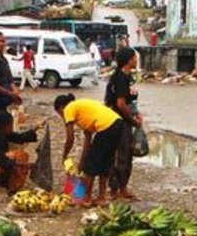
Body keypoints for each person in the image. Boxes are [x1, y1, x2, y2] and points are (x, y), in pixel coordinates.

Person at [54, 94, 124, 206]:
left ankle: (85, 198)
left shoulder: (69, 108)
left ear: (61, 107)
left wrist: (65, 156)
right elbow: (88, 141)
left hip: (106, 126)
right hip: (118, 124)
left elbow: (70, 138)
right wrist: (81, 164)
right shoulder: (83, 114)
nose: (63, 117)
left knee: (91, 165)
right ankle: (101, 198)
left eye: (60, 114)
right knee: (105, 163)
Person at [105, 47, 142, 201]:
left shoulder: (128, 77)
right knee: (121, 155)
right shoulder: (120, 78)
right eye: (134, 57)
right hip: (119, 121)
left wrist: (137, 114)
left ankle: (123, 187)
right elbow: (120, 104)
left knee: (127, 154)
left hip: (127, 119)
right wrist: (132, 121)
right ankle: (115, 189)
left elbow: (130, 101)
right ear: (128, 60)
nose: (136, 59)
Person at [0, 112, 41, 193]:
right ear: (5, 126)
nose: (12, 127)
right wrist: (23, 165)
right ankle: (7, 183)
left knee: (20, 155)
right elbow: (0, 159)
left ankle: (8, 182)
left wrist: (35, 128)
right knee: (15, 156)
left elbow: (20, 138)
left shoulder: (4, 133)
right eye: (11, 125)